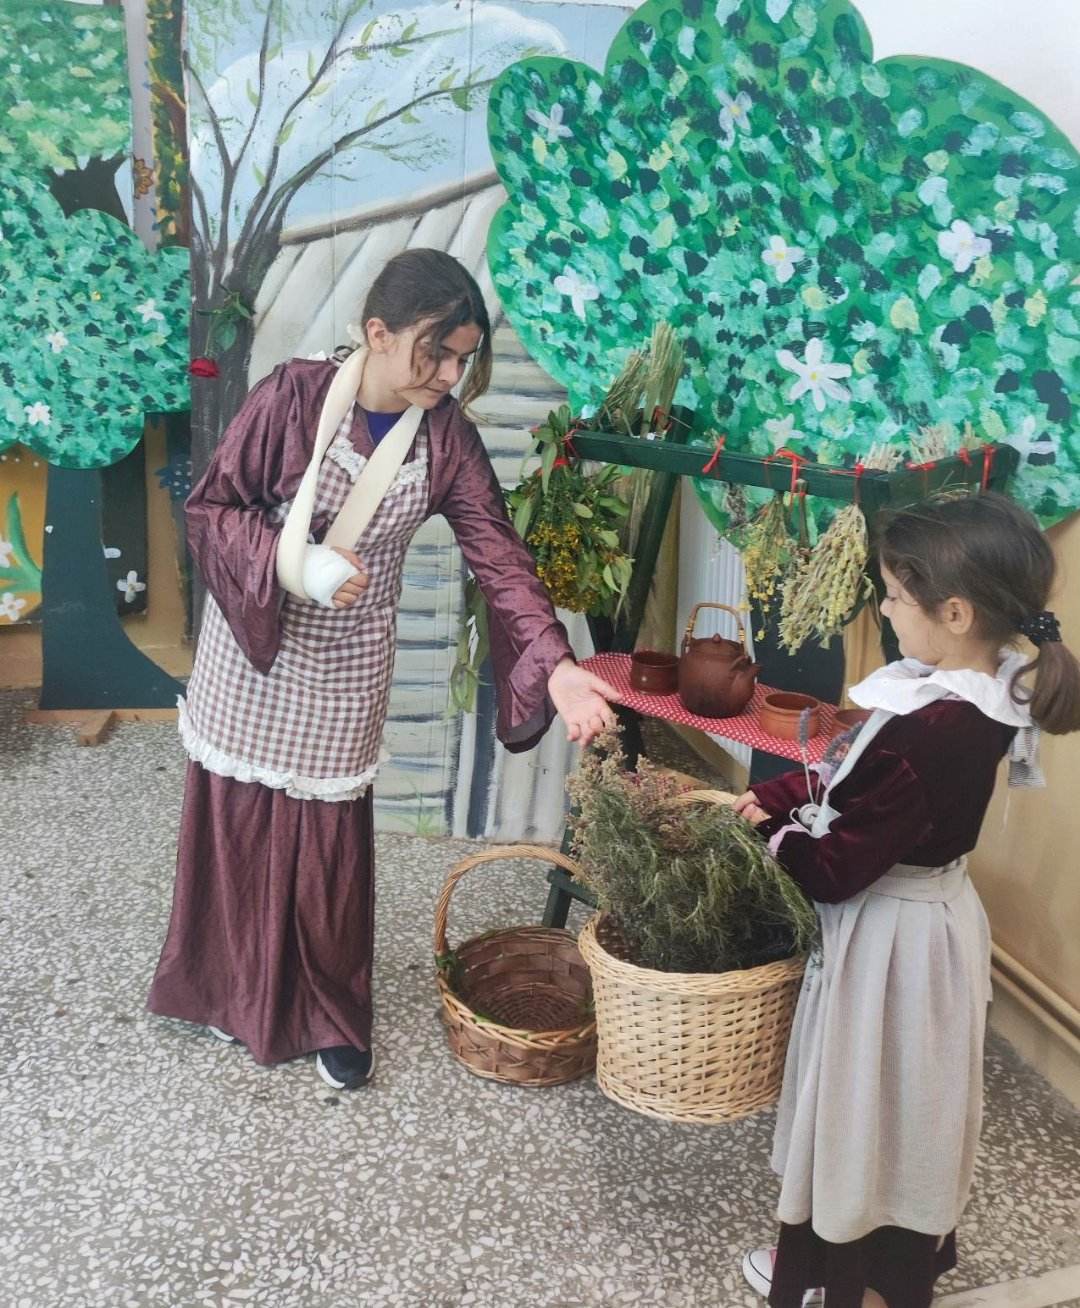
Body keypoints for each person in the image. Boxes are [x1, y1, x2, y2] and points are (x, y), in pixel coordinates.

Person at [148, 249, 620, 1091]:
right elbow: (212, 507)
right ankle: (225, 991)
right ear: (377, 333)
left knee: (327, 851)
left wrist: (557, 668)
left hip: (349, 661)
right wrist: (300, 566)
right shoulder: (293, 397)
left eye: (462, 360)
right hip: (254, 648)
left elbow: (499, 558)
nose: (447, 376)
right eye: (434, 354)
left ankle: (329, 1013)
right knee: (238, 822)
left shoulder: (446, 440)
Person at [734, 492, 1080, 1308]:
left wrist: (771, 834)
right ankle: (853, 1269)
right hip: (928, 921)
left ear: (955, 612)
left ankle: (847, 1281)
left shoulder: (937, 733)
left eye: (893, 596)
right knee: (902, 1106)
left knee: (865, 1111)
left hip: (889, 940)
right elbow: (853, 772)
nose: (884, 611)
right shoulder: (975, 685)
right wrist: (780, 795)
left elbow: (834, 868)